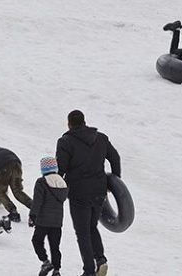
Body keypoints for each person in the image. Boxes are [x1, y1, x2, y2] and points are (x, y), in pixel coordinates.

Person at [57, 110, 120, 276]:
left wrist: (55, 191)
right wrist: (115, 184)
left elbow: (61, 169)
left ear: (69, 123)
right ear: (84, 121)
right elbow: (115, 158)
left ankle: (89, 271)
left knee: (82, 232)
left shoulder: (65, 142)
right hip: (99, 191)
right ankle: (101, 260)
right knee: (92, 227)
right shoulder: (101, 138)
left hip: (78, 193)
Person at [29, 155, 67, 276]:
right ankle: (56, 270)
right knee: (55, 246)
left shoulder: (41, 182)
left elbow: (37, 201)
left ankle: (45, 262)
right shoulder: (63, 183)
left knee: (36, 240)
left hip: (43, 221)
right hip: (57, 221)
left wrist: (33, 216)